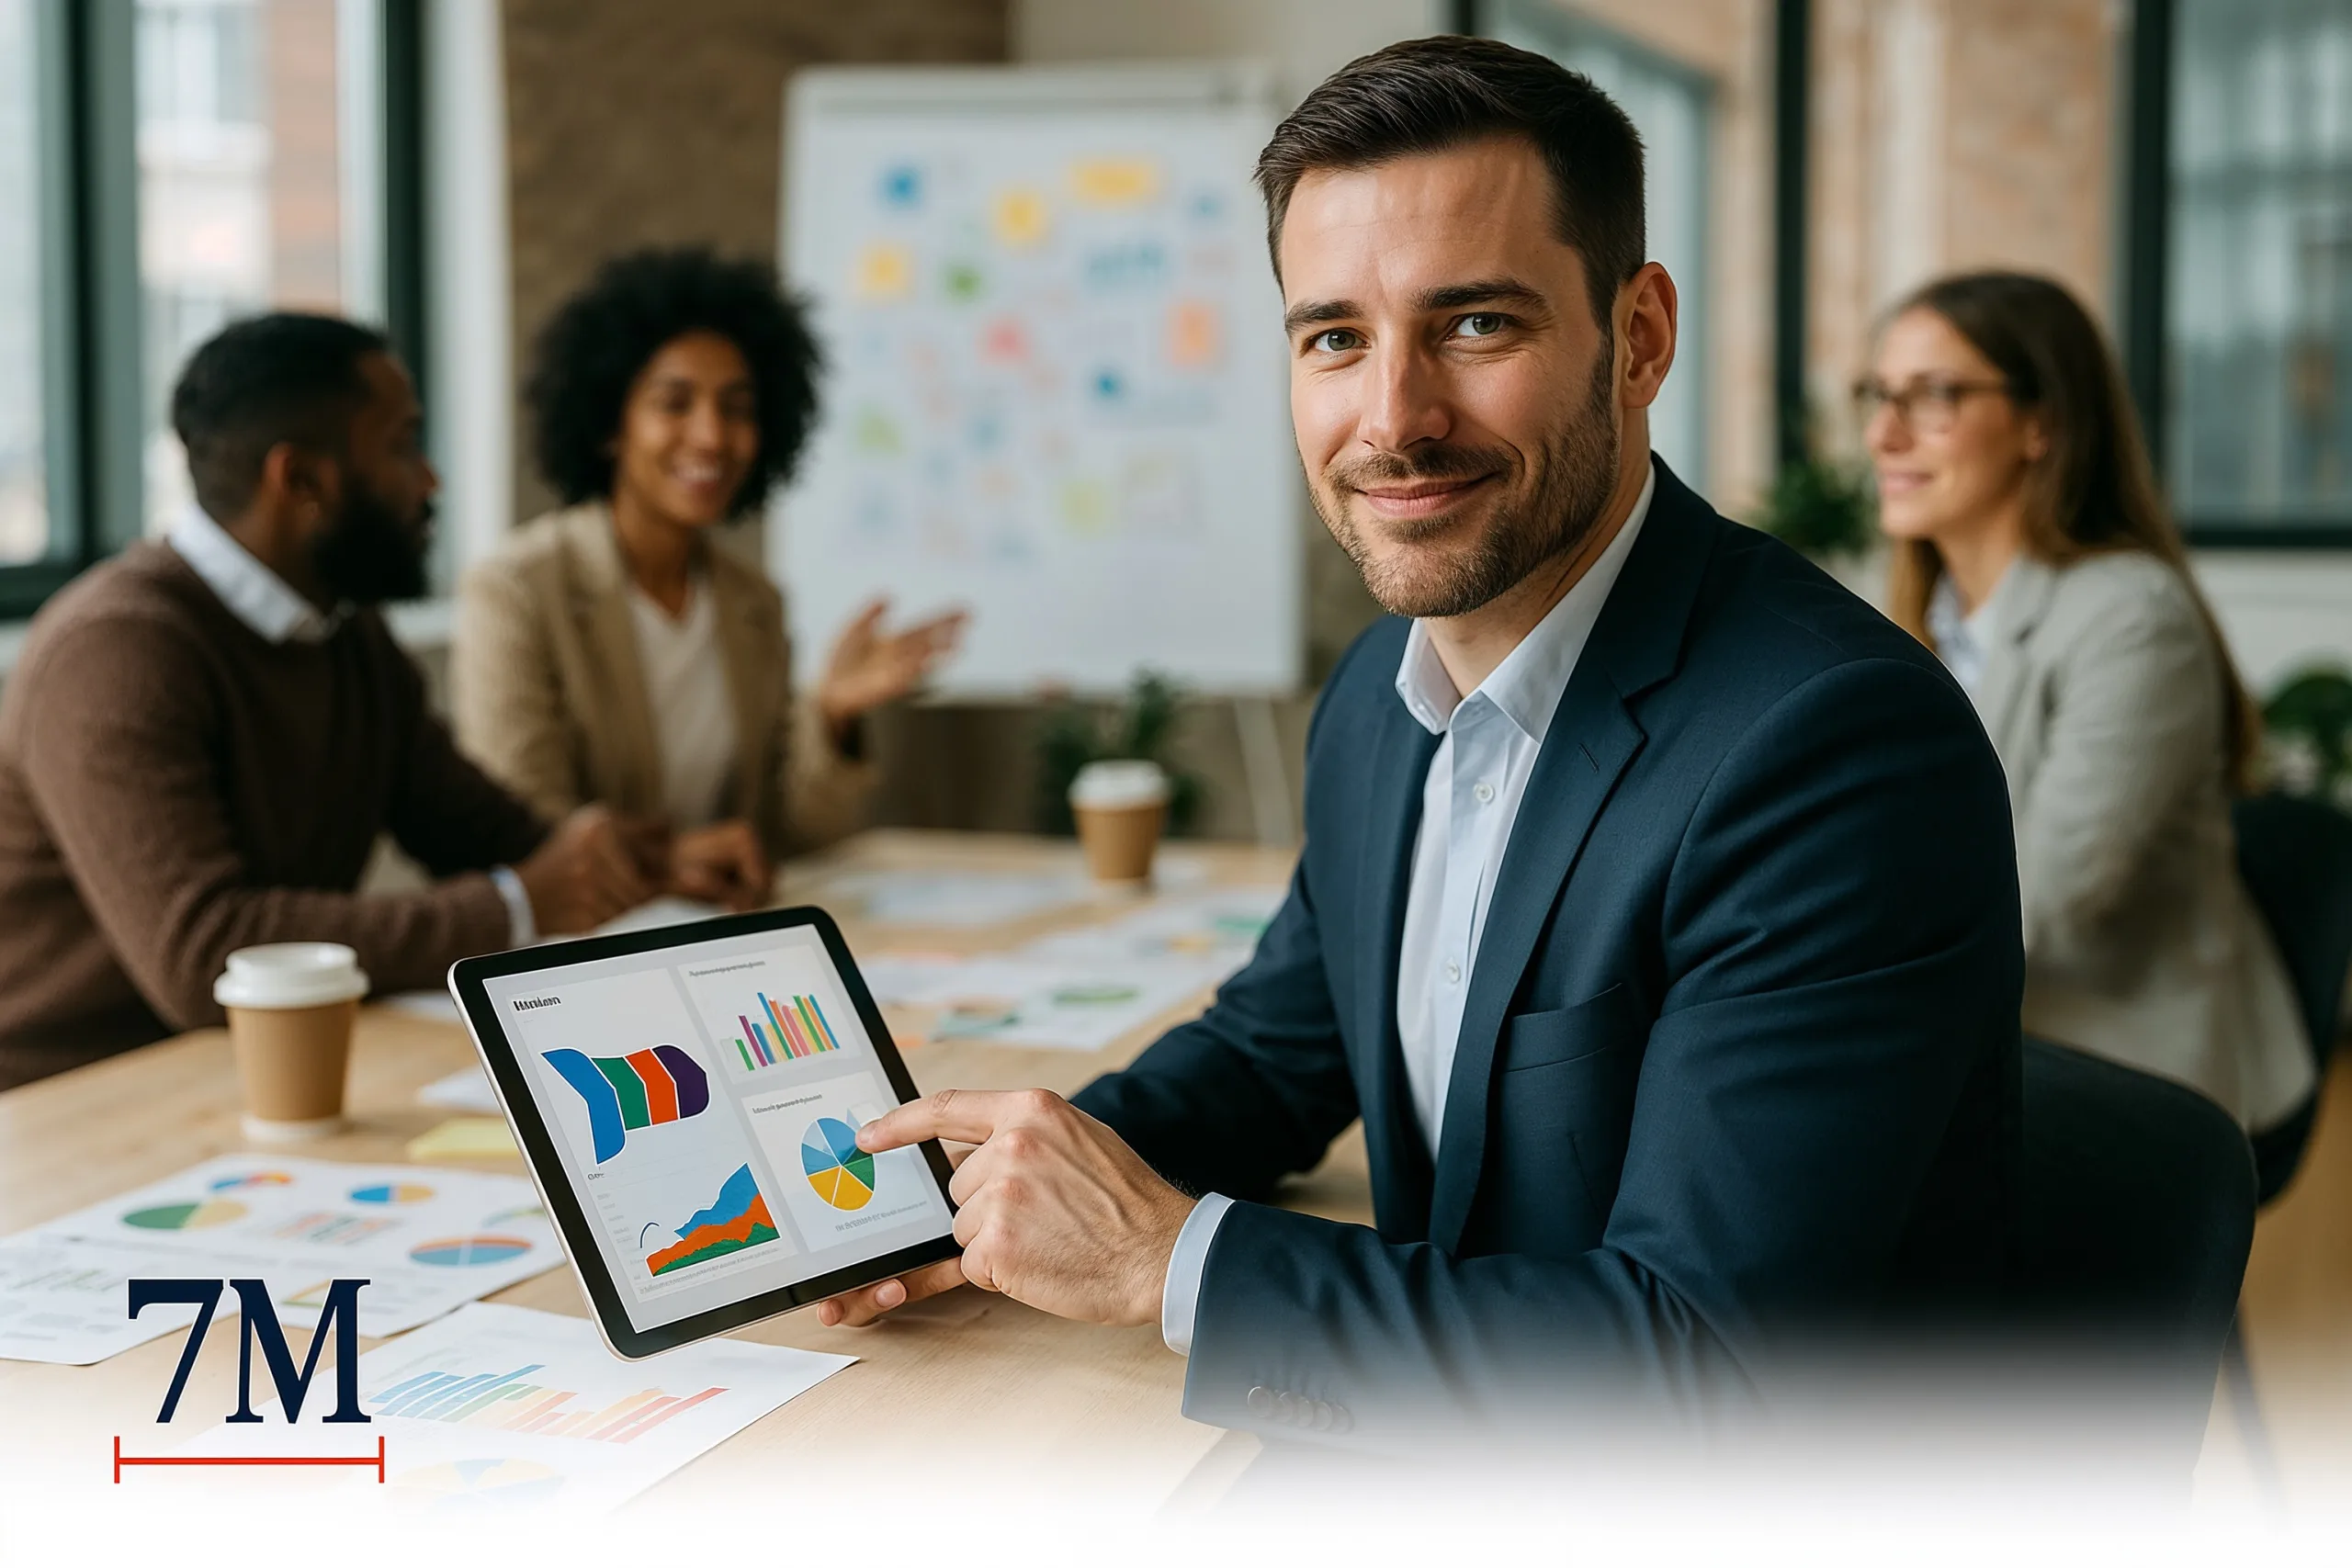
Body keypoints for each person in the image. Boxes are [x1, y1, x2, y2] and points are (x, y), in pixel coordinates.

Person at [815, 37, 2022, 1439]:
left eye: (1476, 324)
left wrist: (1170, 1258)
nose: (1393, 418)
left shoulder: (1831, 746)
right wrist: (983, 1185)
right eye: (1336, 337)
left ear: (1638, 338)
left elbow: (1698, 1360)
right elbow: (1273, 1054)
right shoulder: (1380, 696)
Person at [0, 313, 662, 1090]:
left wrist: (642, 861)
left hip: (250, 1079)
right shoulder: (115, 652)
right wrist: (515, 907)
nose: (431, 481)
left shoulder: (346, 632)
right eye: (403, 446)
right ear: (301, 480)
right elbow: (204, 954)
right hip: (70, 1101)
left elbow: (485, 833)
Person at [1863, 270, 2312, 1141]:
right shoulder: (1921, 621)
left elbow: (2044, 898)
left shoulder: (2132, 617)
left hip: (2132, 1070)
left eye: (1936, 396)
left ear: (2043, 423)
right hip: (1986, 1042)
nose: (1885, 434)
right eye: (1880, 396)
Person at [452, 249, 964, 912]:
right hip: (587, 944)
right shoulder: (516, 591)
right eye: (674, 403)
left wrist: (831, 716)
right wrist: (669, 864)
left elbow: (791, 837)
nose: (713, 436)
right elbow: (525, 831)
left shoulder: (753, 602)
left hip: (720, 931)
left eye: (738, 408)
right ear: (610, 424)